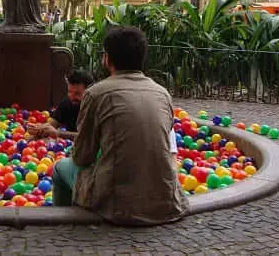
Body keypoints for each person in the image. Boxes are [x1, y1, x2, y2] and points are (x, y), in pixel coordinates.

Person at [52, 26, 188, 225]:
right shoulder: (162, 93)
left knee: (59, 168)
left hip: (117, 203)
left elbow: (82, 156)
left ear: (107, 58)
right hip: (166, 199)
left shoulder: (96, 93)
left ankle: (63, 224)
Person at [27, 69, 94, 140]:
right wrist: (38, 129)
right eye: (69, 91)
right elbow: (51, 124)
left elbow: (89, 137)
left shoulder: (95, 106)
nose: (71, 96)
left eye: (77, 93)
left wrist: (58, 133)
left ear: (89, 92)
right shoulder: (67, 103)